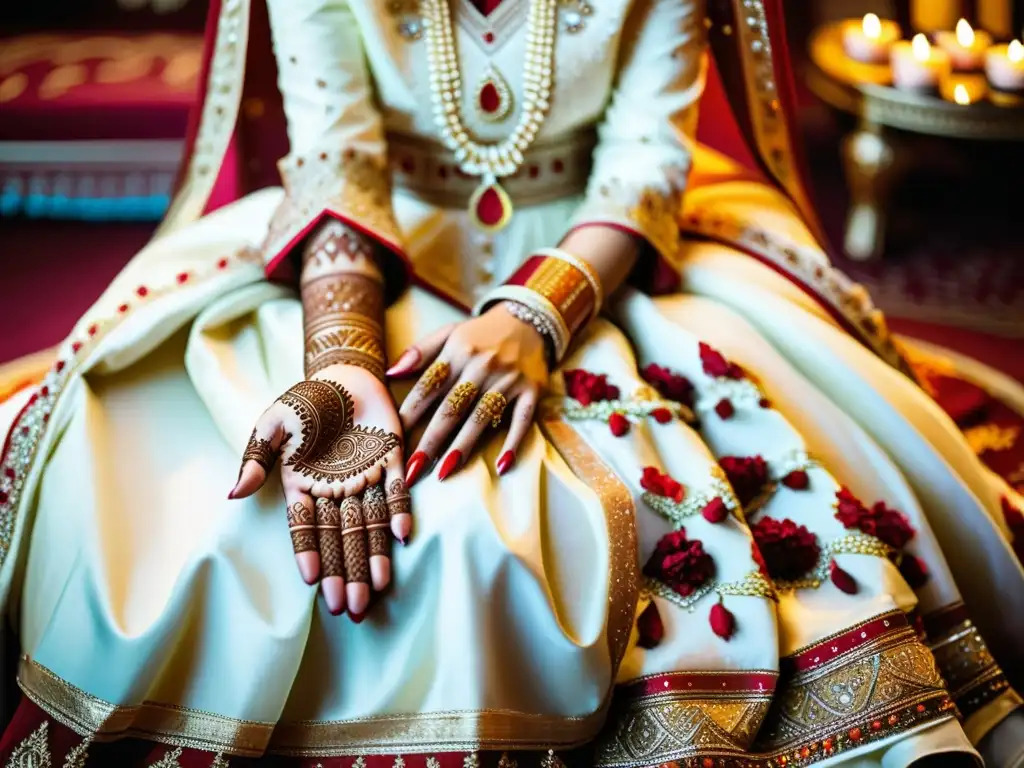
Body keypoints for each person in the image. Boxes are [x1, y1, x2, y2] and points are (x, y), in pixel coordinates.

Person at [0, 0, 1022, 766]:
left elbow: (642, 163)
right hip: (370, 253)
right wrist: (341, 367)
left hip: (599, 247)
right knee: (191, 521)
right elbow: (337, 160)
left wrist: (537, 313)